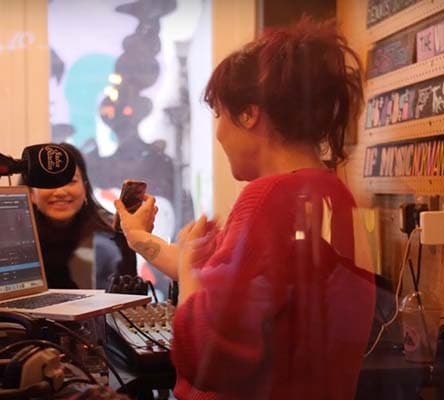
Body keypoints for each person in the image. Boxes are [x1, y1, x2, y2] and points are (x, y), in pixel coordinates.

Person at [114, 18, 376, 400]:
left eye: (219, 114)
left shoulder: (268, 199)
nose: (218, 132)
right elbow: (222, 277)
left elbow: (205, 354)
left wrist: (187, 265)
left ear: (249, 114)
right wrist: (140, 239)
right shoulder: (327, 191)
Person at [28, 143, 137, 289]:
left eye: (71, 181)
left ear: (85, 187)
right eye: (50, 183)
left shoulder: (114, 235)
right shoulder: (18, 242)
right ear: (31, 193)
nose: (60, 191)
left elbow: (129, 302)